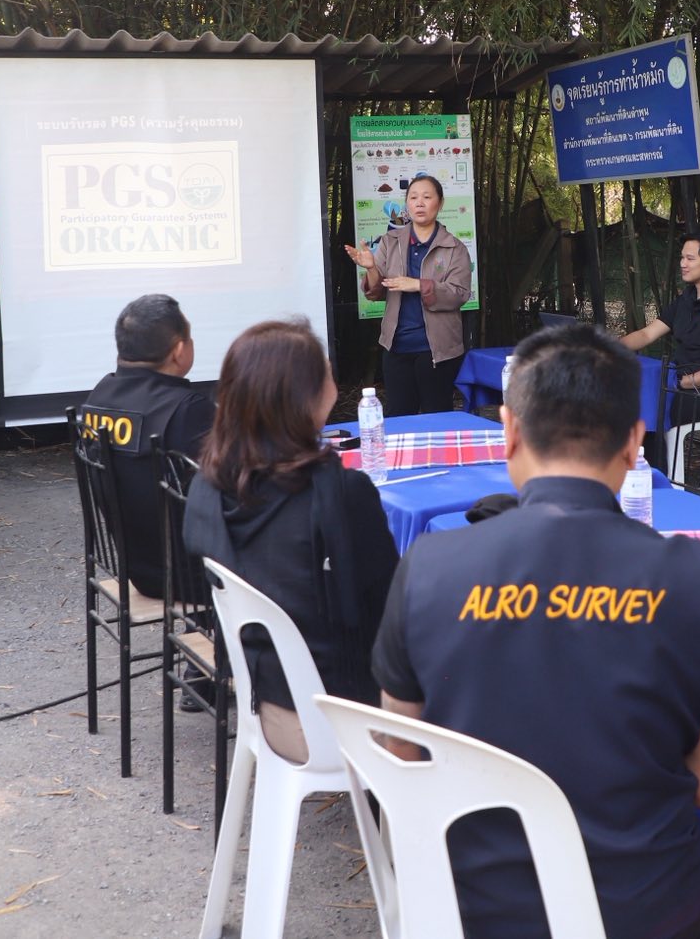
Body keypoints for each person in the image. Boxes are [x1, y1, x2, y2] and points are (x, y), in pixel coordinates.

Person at [372, 323, 700, 939]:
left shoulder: (428, 568)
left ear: (510, 430)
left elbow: (401, 757)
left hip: (465, 910)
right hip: (645, 911)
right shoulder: (695, 582)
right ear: (635, 443)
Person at [182, 319, 398, 762]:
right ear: (306, 399)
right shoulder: (340, 494)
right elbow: (392, 614)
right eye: (327, 375)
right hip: (344, 715)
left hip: (265, 699)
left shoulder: (207, 487)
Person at [79, 293, 215, 600]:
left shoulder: (98, 398)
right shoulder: (186, 410)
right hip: (195, 577)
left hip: (137, 570)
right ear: (180, 350)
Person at [620, 231, 700, 477]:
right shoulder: (686, 299)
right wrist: (608, 345)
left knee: (650, 400)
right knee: (628, 393)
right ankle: (630, 473)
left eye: (690, 258)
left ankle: (654, 477)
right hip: (676, 381)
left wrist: (679, 384)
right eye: (682, 258)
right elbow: (647, 335)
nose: (682, 263)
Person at [344, 174, 473, 416]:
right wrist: (371, 267)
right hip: (396, 348)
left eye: (427, 197)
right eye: (413, 197)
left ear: (440, 203)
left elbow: (460, 293)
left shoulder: (454, 248)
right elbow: (376, 291)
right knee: (398, 417)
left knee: (438, 418)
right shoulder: (391, 242)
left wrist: (418, 285)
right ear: (407, 204)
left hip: (437, 351)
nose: (419, 203)